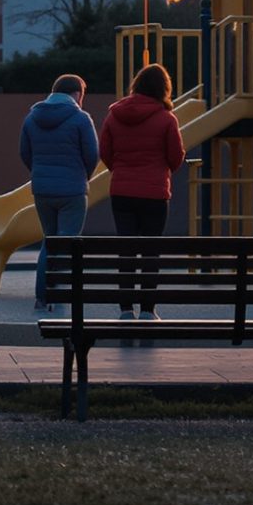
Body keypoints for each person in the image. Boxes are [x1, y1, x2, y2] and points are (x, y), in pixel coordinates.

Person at [99, 64, 186, 320]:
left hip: (122, 191)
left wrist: (121, 170)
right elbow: (175, 157)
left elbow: (105, 152)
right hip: (155, 193)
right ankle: (148, 310)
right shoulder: (167, 118)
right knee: (150, 251)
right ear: (164, 88)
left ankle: (126, 309)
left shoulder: (114, 115)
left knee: (126, 250)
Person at [20, 73, 99, 316]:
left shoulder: (32, 117)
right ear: (76, 94)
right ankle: (60, 294)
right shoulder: (81, 119)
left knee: (49, 240)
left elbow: (25, 153)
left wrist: (41, 173)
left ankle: (42, 297)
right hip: (73, 191)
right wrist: (81, 176)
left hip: (43, 190)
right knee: (67, 242)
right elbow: (92, 155)